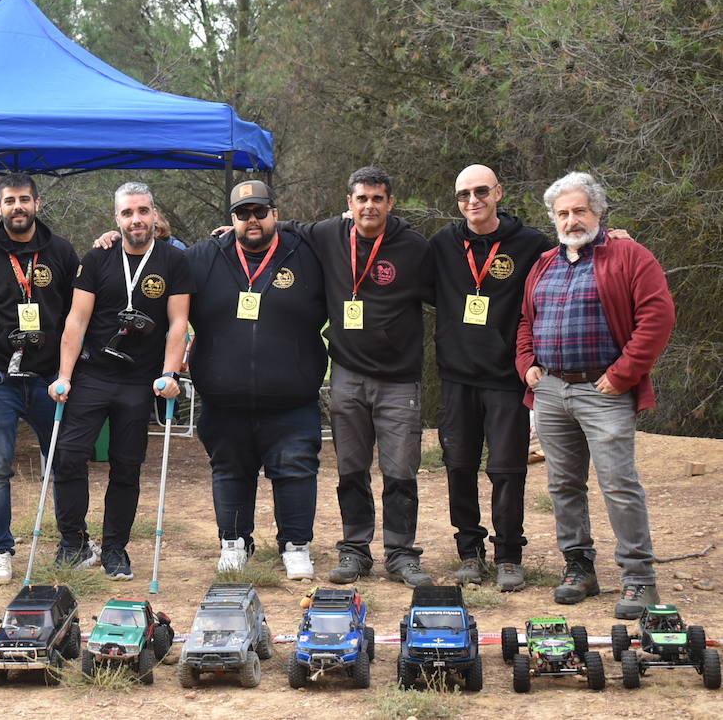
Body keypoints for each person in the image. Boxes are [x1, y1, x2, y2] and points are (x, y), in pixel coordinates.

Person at [516, 172, 675, 619]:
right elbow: (526, 320)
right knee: (563, 485)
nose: (571, 220)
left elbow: (657, 318)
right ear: (554, 218)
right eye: (562, 213)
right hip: (550, 391)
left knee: (619, 486)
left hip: (604, 391)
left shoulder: (630, 255)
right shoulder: (544, 263)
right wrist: (527, 365)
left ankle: (639, 579)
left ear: (598, 212)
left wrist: (623, 375)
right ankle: (579, 567)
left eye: (579, 211)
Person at [286, 167, 435, 588]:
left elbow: (452, 285)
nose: (370, 206)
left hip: (399, 379)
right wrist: (238, 224)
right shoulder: (328, 234)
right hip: (348, 375)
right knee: (351, 470)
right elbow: (282, 227)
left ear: (390, 202)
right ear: (349, 203)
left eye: (378, 198)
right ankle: (355, 550)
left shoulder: (413, 247)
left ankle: (401, 553)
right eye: (362, 199)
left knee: (400, 471)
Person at [183, 181, 327, 580]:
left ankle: (296, 545)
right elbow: (161, 267)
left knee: (296, 469)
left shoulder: (306, 254)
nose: (252, 220)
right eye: (243, 213)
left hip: (291, 398)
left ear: (275, 214)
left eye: (260, 212)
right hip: (224, 398)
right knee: (229, 470)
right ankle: (233, 542)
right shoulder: (204, 257)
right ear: (231, 219)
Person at [48, 182, 193, 580]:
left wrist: (170, 372)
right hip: (93, 374)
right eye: (128, 213)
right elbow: (76, 320)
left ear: (154, 214)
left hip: (139, 381)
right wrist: (64, 375)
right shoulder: (97, 258)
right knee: (69, 456)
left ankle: (115, 549)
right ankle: (74, 542)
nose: (136, 220)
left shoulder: (173, 261)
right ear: (117, 218)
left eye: (143, 211)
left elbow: (178, 323)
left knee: (126, 467)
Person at [429, 165, 554, 591]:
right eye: (463, 195)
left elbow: (576, 259)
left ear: (499, 192)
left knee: (507, 470)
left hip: (506, 378)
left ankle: (508, 557)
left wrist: (612, 240)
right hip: (457, 377)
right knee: (459, 466)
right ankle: (469, 551)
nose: (472, 201)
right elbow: (391, 250)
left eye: (480, 191)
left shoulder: (533, 244)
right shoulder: (443, 245)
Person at [0, 172, 79, 584]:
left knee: (62, 461)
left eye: (24, 199)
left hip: (48, 377)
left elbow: (73, 311)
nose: (17, 207)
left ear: (37, 204)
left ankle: (72, 546)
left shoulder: (60, 251)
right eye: (9, 201)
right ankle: (0, 551)